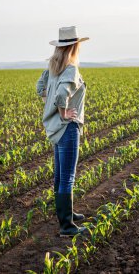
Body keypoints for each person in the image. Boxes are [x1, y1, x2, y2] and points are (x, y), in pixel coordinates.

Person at [36, 25, 90, 237]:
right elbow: (61, 95)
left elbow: (40, 87)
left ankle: (66, 213)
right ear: (74, 47)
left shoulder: (53, 68)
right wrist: (63, 112)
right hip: (67, 128)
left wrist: (48, 103)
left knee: (60, 174)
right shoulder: (71, 69)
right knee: (68, 176)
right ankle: (67, 226)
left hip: (55, 129)